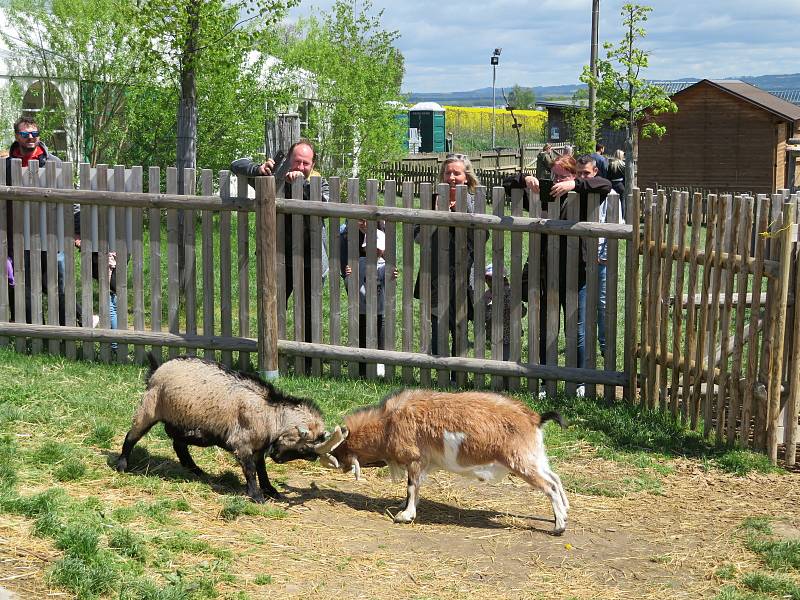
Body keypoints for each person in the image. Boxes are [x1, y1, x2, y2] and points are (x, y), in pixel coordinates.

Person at [507, 154, 611, 396]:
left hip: (577, 272)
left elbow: (605, 184)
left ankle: (579, 381)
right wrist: (525, 179)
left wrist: (575, 185)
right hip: (545, 273)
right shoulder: (543, 196)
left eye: (562, 176)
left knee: (577, 330)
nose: (556, 180)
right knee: (546, 328)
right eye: (554, 175)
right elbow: (507, 184)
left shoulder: (585, 195)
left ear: (574, 176)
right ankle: (546, 380)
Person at [231, 139, 329, 360]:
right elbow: (236, 163)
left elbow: (324, 207)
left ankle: (309, 362)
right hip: (278, 260)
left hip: (310, 262)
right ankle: (276, 357)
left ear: (312, 165)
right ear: (289, 160)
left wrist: (301, 185)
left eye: (306, 163)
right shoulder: (273, 179)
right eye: (297, 162)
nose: (301, 167)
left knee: (309, 315)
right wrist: (258, 169)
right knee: (275, 312)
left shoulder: (320, 183)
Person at [4, 116, 68, 325]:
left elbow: (71, 198)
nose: (30, 137)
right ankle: (31, 331)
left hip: (50, 234)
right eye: (24, 134)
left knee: (57, 285)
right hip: (16, 235)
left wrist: (75, 230)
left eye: (34, 133)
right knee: (25, 285)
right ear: (17, 136)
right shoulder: (5, 165)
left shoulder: (54, 163)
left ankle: (62, 330)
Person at [414, 153, 476, 360]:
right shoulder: (431, 200)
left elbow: (480, 239)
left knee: (459, 325)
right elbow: (417, 237)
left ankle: (458, 373)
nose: (451, 177)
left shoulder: (474, 202)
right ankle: (440, 370)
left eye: (456, 173)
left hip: (463, 274)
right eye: (447, 173)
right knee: (437, 326)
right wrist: (435, 216)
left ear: (466, 177)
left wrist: (461, 213)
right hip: (435, 273)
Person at [339, 220, 398, 377]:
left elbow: (390, 283)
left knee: (380, 337)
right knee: (362, 335)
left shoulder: (384, 265)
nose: (375, 250)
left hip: (379, 309)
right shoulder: (360, 263)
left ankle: (380, 363)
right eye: (372, 247)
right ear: (365, 248)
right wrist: (348, 276)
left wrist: (393, 276)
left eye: (378, 247)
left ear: (382, 249)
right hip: (362, 308)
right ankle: (362, 366)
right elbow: (349, 283)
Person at [483, 263, 526, 362]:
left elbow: (522, 312)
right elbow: (485, 316)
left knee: (511, 360)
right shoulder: (487, 295)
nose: (489, 282)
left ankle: (510, 376)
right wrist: (489, 304)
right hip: (495, 335)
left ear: (503, 279)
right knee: (498, 361)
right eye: (488, 279)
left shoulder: (510, 292)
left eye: (493, 279)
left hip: (511, 335)